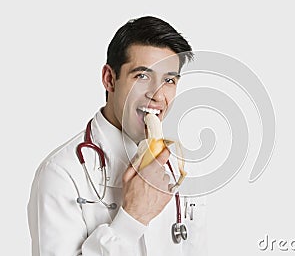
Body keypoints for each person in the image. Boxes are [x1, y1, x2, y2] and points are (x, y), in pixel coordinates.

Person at [27, 16, 207, 256]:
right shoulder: (61, 174)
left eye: (169, 80)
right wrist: (132, 218)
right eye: (142, 76)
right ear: (110, 79)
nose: (157, 94)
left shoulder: (179, 167)